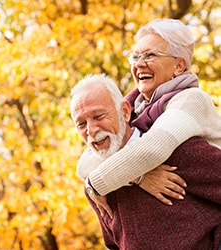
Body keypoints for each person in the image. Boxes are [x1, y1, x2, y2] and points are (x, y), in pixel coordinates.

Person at [76, 19, 221, 208]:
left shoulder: (191, 100)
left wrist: (95, 184)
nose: (139, 64)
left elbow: (152, 148)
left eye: (150, 55)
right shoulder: (136, 108)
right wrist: (140, 176)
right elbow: (85, 163)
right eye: (135, 58)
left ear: (179, 66)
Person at [70, 73, 221, 249]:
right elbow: (114, 242)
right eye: (81, 124)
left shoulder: (178, 149)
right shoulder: (94, 186)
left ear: (125, 112)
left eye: (99, 116)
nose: (92, 130)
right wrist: (138, 176)